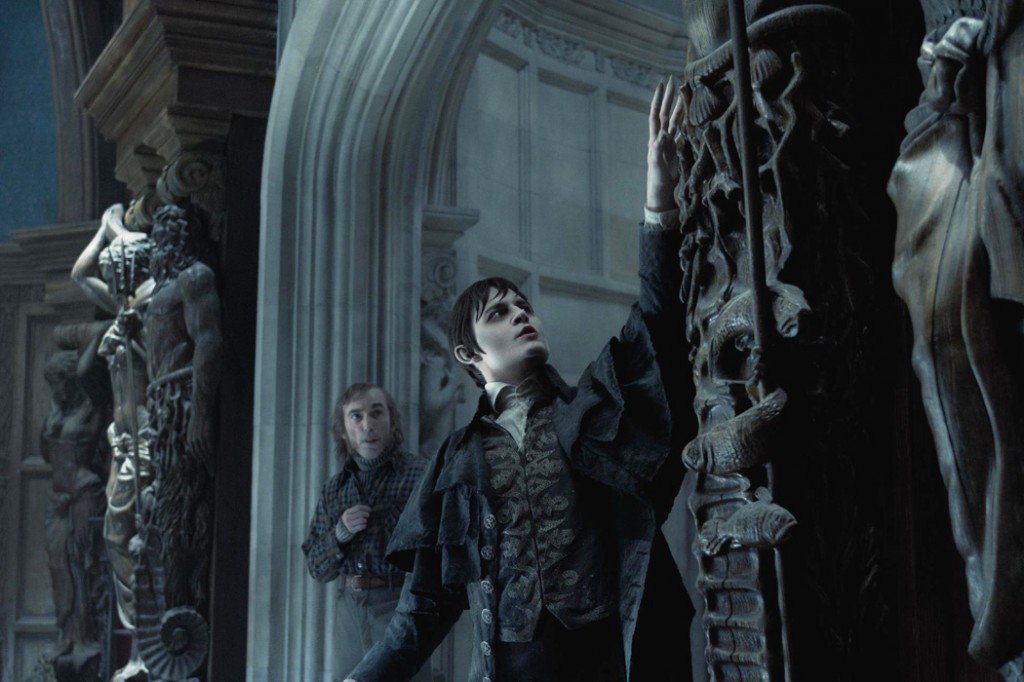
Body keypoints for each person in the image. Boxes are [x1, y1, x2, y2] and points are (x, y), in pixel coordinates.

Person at [344, 81, 692, 682]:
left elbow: (658, 327)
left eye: (524, 307)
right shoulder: (457, 460)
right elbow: (423, 610)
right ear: (468, 353)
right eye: (500, 313)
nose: (522, 315)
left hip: (610, 665)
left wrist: (658, 202)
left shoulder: (590, 409)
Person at [303, 383, 432, 682]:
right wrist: (340, 533)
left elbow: (439, 551)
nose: (367, 425)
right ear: (343, 431)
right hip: (348, 608)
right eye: (356, 416)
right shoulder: (335, 489)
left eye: (376, 413)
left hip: (400, 603)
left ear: (392, 421)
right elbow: (317, 568)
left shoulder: (420, 475)